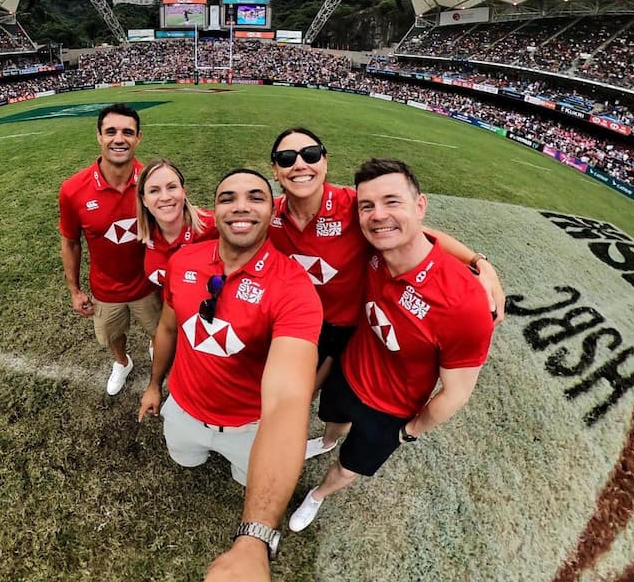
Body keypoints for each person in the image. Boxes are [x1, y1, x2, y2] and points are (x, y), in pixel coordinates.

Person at [268, 126, 503, 458]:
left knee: (311, 389)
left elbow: (420, 234)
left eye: (310, 155)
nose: (300, 164)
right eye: (287, 158)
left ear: (324, 161)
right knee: (292, 386)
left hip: (342, 327)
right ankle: (314, 433)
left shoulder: (354, 206)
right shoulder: (270, 214)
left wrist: (480, 262)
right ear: (275, 170)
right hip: (298, 319)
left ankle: (323, 437)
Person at [288, 157, 495, 532]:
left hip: (391, 411)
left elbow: (457, 393)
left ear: (420, 206)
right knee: (333, 418)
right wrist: (481, 259)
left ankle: (317, 495)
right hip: (348, 371)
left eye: (392, 201)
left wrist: (409, 431)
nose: (378, 215)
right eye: (367, 206)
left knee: (350, 467)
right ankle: (327, 440)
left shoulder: (464, 304)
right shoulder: (370, 250)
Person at [139, 169, 322, 581]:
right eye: (228, 198)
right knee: (184, 461)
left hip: (248, 429)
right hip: (182, 412)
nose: (241, 206)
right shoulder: (183, 261)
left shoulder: (293, 288)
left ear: (272, 210)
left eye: (256, 197)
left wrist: (255, 537)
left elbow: (288, 400)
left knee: (246, 482)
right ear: (214, 210)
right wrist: (154, 386)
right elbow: (168, 328)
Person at [59, 103, 160, 396]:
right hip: (105, 289)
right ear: (99, 137)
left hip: (150, 285)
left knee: (160, 331)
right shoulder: (73, 190)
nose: (119, 139)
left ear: (138, 138)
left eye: (128, 132)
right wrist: (75, 290)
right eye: (111, 131)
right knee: (113, 336)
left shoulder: (155, 182)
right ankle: (123, 362)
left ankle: (157, 350)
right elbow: (70, 241)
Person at [137, 157, 217, 290]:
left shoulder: (213, 225)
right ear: (144, 200)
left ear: (183, 192)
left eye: (172, 187)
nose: (165, 197)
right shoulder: (147, 231)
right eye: (154, 191)